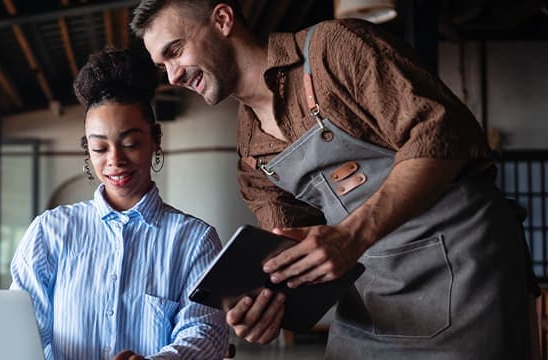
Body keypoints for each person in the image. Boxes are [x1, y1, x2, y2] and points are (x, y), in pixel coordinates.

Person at [131, 1, 537, 358]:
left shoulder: (332, 49)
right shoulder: (250, 147)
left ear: (222, 19)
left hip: (467, 276)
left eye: (175, 51)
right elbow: (289, 252)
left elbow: (440, 135)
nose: (172, 76)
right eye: (161, 65)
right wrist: (266, 307)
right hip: (374, 302)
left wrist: (352, 236)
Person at [9, 48, 228, 360]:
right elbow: (22, 331)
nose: (115, 161)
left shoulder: (194, 240)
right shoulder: (50, 231)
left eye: (130, 143)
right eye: (99, 148)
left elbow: (206, 331)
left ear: (156, 139)